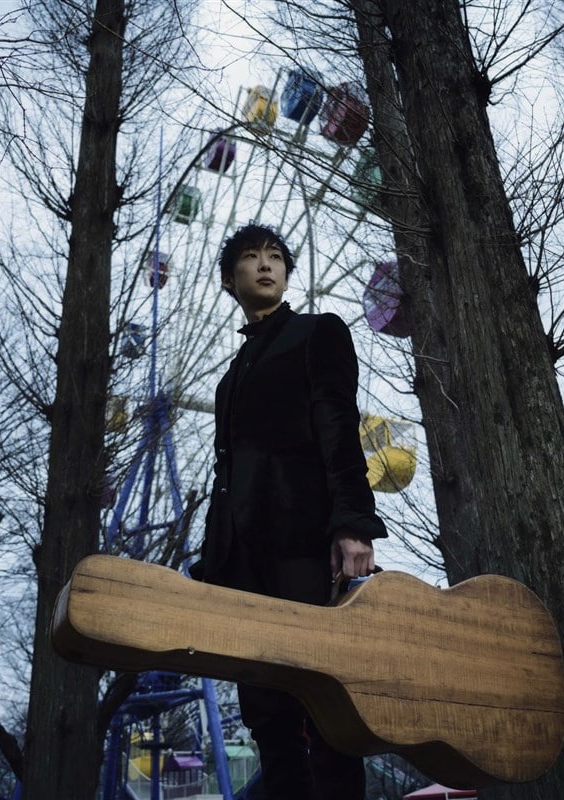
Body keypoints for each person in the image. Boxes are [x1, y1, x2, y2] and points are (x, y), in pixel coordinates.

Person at [191, 223, 387, 800]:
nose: (265, 264)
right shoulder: (230, 381)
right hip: (243, 563)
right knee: (267, 714)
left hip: (304, 541)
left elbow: (338, 429)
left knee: (325, 697)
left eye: (275, 256)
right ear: (229, 280)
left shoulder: (317, 333)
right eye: (251, 257)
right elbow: (227, 478)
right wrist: (213, 562)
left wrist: (352, 525)